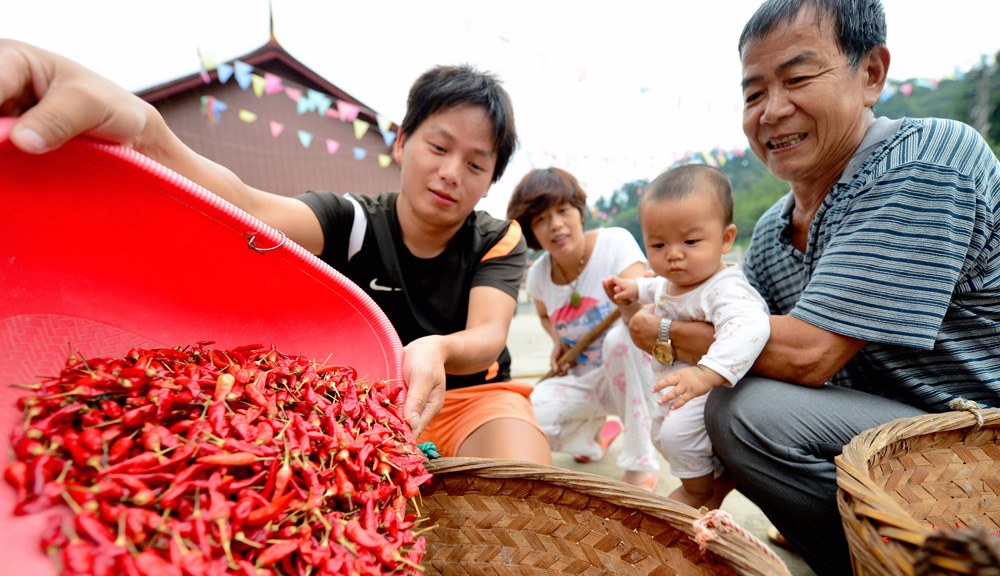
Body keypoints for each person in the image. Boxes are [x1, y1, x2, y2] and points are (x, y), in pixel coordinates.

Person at [0, 40, 552, 464]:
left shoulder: (496, 237)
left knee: (526, 474)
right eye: (438, 146)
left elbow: (487, 339)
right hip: (372, 405)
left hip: (470, 400)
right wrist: (149, 134)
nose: (451, 173)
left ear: (490, 182)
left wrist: (434, 348)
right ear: (403, 141)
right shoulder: (352, 221)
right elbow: (245, 204)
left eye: (476, 165)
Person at [624, 0, 1000, 576]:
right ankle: (875, 566)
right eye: (754, 94)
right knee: (729, 393)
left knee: (744, 409)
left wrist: (664, 335)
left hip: (974, 446)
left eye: (798, 79)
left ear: (872, 74)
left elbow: (807, 358)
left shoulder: (927, 159)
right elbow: (758, 351)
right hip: (882, 446)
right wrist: (690, 506)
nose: (773, 111)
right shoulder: (774, 231)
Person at [604, 165, 769, 508]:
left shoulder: (723, 288)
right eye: (658, 244)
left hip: (710, 386)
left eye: (690, 242)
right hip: (677, 384)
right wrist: (632, 288)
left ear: (726, 239)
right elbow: (655, 287)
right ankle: (713, 472)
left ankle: (699, 491)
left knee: (677, 435)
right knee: (661, 433)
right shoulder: (674, 280)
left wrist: (705, 374)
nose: (674, 254)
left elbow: (751, 327)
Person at [506, 168, 660, 490]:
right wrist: (557, 343)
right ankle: (594, 439)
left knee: (621, 340)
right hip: (583, 378)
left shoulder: (614, 243)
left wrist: (630, 301)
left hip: (637, 376)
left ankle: (639, 464)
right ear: (533, 230)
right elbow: (546, 315)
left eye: (563, 210)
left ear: (579, 210)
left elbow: (644, 319)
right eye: (542, 219)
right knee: (524, 421)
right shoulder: (537, 277)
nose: (556, 224)